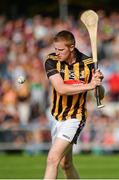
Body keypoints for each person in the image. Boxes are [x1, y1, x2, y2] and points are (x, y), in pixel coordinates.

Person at [44, 30, 104, 179]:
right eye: (55, 49)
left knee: (52, 159)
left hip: (75, 118)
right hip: (56, 118)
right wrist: (90, 85)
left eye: (61, 49)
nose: (57, 53)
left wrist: (98, 84)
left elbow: (100, 95)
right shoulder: (51, 61)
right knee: (66, 164)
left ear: (72, 47)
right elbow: (61, 89)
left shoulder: (88, 64)